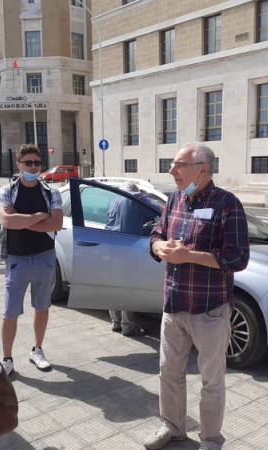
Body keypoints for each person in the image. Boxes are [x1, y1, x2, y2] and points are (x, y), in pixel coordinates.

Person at [147, 142, 250, 450]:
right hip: (173, 304)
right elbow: (156, 232)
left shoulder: (227, 203)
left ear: (203, 169)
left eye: (179, 165)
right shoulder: (175, 199)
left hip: (209, 310)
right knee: (169, 372)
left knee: (211, 381)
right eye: (173, 164)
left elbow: (238, 258)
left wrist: (189, 256)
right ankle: (172, 427)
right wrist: (158, 247)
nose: (172, 171)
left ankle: (211, 441)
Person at [0, 144, 63, 375]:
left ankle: (37, 349)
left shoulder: (51, 192)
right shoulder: (6, 191)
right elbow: (7, 221)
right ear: (19, 164)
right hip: (17, 259)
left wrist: (21, 219)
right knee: (10, 311)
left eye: (36, 162)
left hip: (45, 257)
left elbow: (56, 224)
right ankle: (7, 359)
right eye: (28, 163)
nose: (33, 166)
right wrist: (38, 217)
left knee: (42, 307)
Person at [106, 181, 160, 337]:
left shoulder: (114, 201)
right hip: (128, 249)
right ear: (136, 191)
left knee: (114, 286)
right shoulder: (136, 199)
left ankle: (115, 322)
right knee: (128, 287)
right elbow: (153, 213)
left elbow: (120, 223)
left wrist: (142, 225)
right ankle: (128, 326)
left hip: (111, 246)